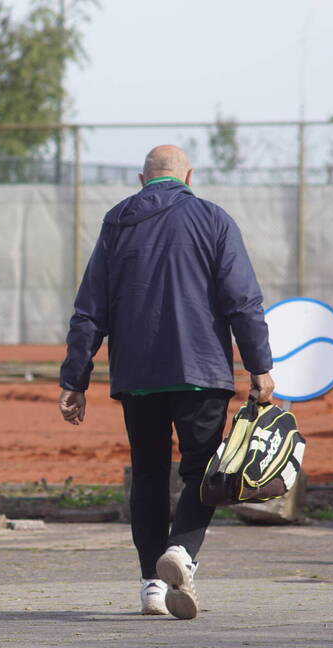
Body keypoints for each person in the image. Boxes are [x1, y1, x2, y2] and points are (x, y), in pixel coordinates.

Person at [58, 145, 275, 620]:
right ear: (188, 177)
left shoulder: (117, 221)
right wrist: (259, 365)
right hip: (201, 373)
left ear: (142, 179)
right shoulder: (213, 219)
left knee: (150, 472)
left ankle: (152, 587)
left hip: (137, 377)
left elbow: (90, 309)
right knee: (201, 469)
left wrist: (75, 378)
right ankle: (181, 551)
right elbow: (243, 300)